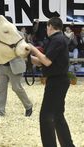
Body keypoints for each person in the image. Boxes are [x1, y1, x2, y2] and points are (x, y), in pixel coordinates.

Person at [30, 17, 75, 147]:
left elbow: (47, 61)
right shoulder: (57, 40)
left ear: (50, 26)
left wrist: (33, 48)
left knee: (46, 117)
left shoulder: (57, 40)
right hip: (58, 80)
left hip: (57, 82)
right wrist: (28, 57)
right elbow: (43, 61)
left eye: (47, 27)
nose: (46, 30)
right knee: (57, 116)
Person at [0, 36, 33, 118]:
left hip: (14, 65)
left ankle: (28, 106)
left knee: (16, 87)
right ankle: (0, 111)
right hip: (1, 66)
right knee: (0, 89)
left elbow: (24, 50)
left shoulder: (19, 35)